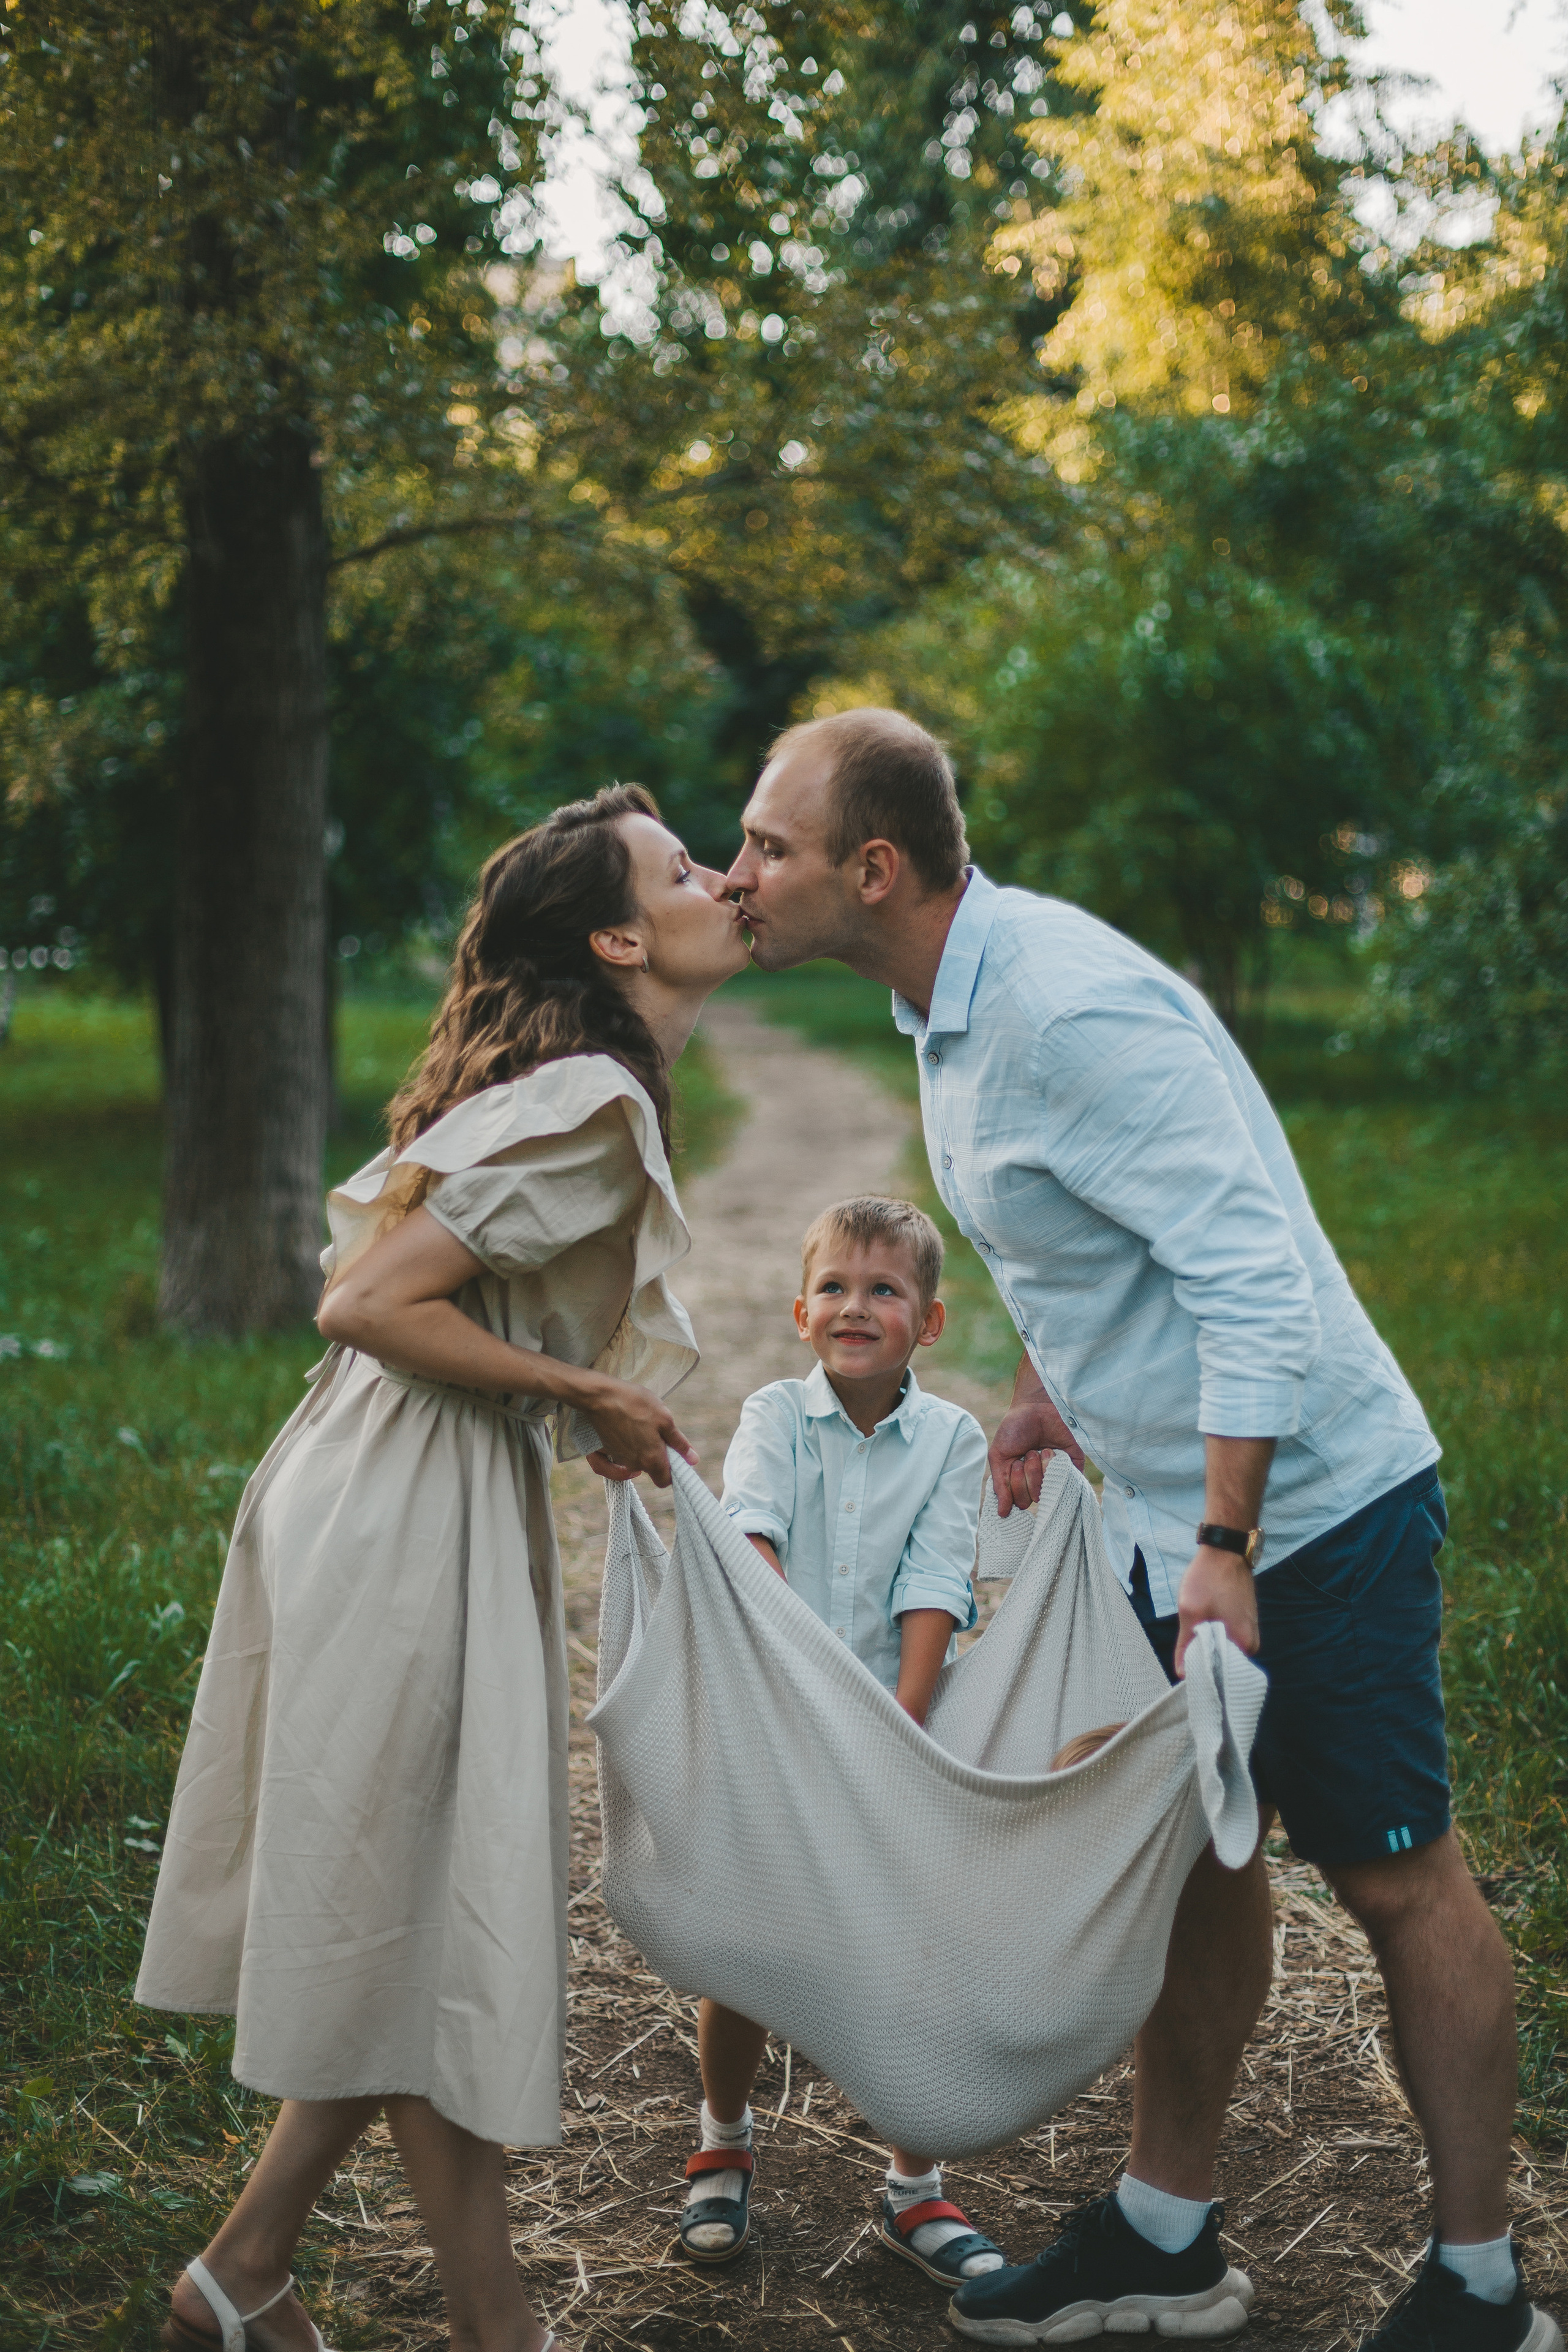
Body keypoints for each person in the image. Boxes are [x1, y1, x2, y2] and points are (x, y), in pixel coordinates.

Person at [725, 709, 1562, 2352]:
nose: (736, 869)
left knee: (1399, 1881)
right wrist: (1046, 1393)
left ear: (872, 868)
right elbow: (1086, 1236)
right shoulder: (943, 1006)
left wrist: (1227, 1546)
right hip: (1168, 1514)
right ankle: (1166, 2236)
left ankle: (1481, 2286)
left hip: (1308, 1515)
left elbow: (1249, 1278)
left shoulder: (1061, 1009)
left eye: (766, 844)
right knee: (1191, 1859)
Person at [137, 785, 750, 2352]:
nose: (722, 880)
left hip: (399, 1480)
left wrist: (562, 1399)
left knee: (408, 1904)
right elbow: (364, 1303)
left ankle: (242, 2275)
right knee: (427, 1916)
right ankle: (498, 2332)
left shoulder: (576, 1087)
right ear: (618, 941)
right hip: (400, 1502)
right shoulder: (588, 1100)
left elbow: (413, 1305)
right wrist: (578, 1389)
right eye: (683, 870)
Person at [675, 1194, 1006, 2290]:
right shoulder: (775, 1414)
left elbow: (937, 1575)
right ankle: (724, 2141)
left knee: (910, 1956)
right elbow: (750, 1534)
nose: (855, 1306)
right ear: (800, 1312)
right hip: (776, 1716)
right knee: (749, 1950)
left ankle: (916, 2186)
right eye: (834, 1287)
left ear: (931, 1321)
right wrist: (810, 1686)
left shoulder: (952, 1439)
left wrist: (901, 1720)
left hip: (893, 1728)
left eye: (884, 1290)